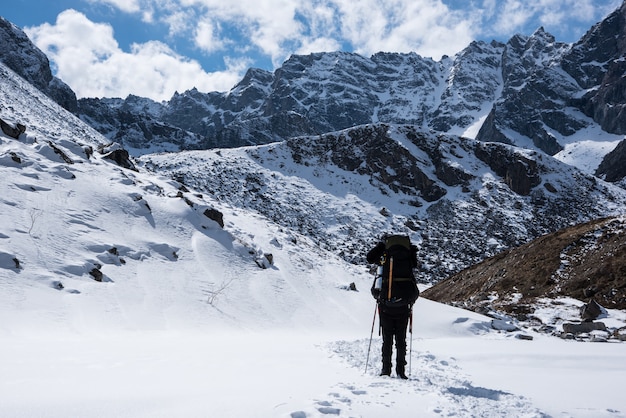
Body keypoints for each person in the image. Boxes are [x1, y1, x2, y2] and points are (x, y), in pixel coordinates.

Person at [366, 234, 419, 379]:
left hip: (385, 304)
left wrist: (379, 247)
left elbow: (369, 258)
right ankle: (401, 371)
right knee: (401, 340)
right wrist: (412, 251)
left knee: (387, 339)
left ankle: (386, 370)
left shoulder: (384, 255)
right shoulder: (408, 254)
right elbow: (415, 266)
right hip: (403, 305)